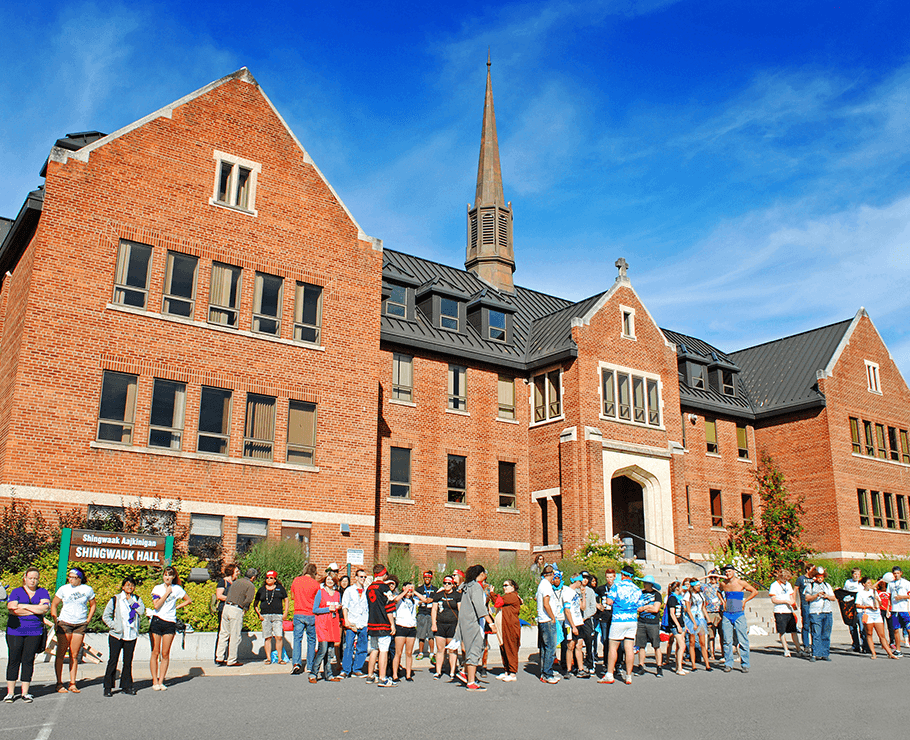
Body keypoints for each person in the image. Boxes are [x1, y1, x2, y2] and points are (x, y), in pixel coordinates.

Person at [4, 567, 50, 703]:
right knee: (13, 659)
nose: (33, 581)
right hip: (15, 631)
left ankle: (25, 692)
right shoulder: (17, 591)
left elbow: (45, 608)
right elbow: (12, 608)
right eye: (30, 578)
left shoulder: (42, 591)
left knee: (28, 660)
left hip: (34, 631)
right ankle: (10, 693)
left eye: (36, 578)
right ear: (25, 578)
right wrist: (35, 609)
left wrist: (23, 606)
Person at [51, 568, 96, 694]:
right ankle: (59, 683)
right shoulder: (64, 589)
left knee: (74, 655)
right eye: (69, 577)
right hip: (65, 622)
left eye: (73, 577)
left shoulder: (87, 589)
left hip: (80, 624)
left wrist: (88, 620)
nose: (70, 579)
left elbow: (93, 604)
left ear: (79, 578)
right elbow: (54, 604)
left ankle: (72, 683)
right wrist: (55, 620)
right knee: (61, 653)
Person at [598, 564, 642, 686]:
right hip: (632, 620)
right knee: (629, 648)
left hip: (618, 619)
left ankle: (609, 674)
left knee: (613, 647)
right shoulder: (637, 589)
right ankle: (628, 676)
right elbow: (640, 606)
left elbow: (609, 601)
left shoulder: (617, 586)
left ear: (622, 575)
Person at [149, 566, 191, 690]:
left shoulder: (177, 589)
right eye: (165, 575)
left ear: (173, 577)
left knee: (165, 653)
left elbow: (188, 600)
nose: (167, 577)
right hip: (157, 620)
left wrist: (177, 607)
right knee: (155, 652)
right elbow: (156, 605)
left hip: (170, 622)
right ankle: (154, 680)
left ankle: (161, 680)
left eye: (169, 575)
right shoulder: (157, 588)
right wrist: (167, 593)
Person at [101, 576, 145, 697]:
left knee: (127, 662)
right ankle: (108, 687)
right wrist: (114, 626)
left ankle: (127, 686)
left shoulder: (137, 599)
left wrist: (131, 600)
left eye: (132, 585)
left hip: (131, 635)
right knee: (113, 661)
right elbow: (106, 616)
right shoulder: (116, 599)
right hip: (117, 635)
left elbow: (140, 611)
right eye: (127, 585)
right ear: (122, 586)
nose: (130, 587)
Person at [457, 564, 492, 691]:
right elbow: (480, 607)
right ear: (481, 574)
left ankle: (465, 672)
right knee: (474, 650)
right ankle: (471, 681)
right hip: (474, 623)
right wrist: (491, 623)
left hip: (467, 622)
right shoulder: (476, 587)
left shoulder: (467, 586)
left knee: (471, 649)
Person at [215, 567, 257, 667]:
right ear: (253, 577)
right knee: (235, 636)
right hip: (236, 609)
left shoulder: (236, 582)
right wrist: (244, 609)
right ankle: (232, 660)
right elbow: (249, 599)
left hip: (226, 607)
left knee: (223, 633)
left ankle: (219, 657)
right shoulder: (250, 585)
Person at [719, 564, 757, 673]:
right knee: (727, 640)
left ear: (734, 572)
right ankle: (728, 663)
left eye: (729, 571)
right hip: (727, 614)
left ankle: (745, 663)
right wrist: (723, 601)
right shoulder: (723, 584)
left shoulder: (741, 583)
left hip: (739, 613)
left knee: (743, 639)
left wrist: (745, 601)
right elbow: (718, 591)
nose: (727, 574)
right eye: (726, 572)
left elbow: (754, 591)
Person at [365, 563, 396, 687]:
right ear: (383, 574)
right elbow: (389, 608)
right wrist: (392, 624)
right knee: (384, 650)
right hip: (383, 623)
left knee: (374, 649)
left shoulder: (369, 588)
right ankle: (383, 677)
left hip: (372, 623)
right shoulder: (384, 588)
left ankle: (370, 675)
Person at [290, 563, 320, 678]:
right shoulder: (315, 584)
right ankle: (310, 665)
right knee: (311, 640)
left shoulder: (296, 580)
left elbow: (292, 596)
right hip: (311, 613)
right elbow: (318, 600)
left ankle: (296, 663)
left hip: (298, 612)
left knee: (297, 639)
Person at [856, 576, 898, 659]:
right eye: (868, 583)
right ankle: (873, 653)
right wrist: (868, 607)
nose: (870, 584)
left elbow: (881, 603)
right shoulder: (860, 593)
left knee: (882, 635)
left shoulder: (874, 592)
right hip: (868, 614)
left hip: (877, 614)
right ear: (864, 584)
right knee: (869, 634)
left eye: (870, 583)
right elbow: (857, 605)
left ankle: (890, 653)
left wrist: (876, 597)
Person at [312, 573, 342, 681]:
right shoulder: (320, 593)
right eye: (328, 579)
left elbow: (338, 606)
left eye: (332, 579)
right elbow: (315, 609)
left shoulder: (337, 594)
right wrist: (328, 609)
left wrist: (338, 607)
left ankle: (329, 674)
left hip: (333, 624)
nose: (330, 581)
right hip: (323, 624)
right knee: (322, 650)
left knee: (330, 652)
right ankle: (313, 673)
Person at [803, 566, 836, 662]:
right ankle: (815, 654)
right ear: (815, 577)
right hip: (815, 612)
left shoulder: (827, 585)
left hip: (827, 611)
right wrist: (816, 595)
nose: (820, 579)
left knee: (826, 634)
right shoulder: (810, 585)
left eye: (822, 577)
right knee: (816, 633)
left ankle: (825, 653)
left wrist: (827, 596)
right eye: (818, 577)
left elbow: (833, 598)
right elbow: (807, 598)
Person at [254, 571, 288, 664]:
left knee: (279, 637)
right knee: (267, 637)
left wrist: (285, 612)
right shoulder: (261, 590)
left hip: (277, 615)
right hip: (265, 616)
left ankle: (280, 658)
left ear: (275, 579)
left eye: (271, 578)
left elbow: (286, 599)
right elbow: (255, 603)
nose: (269, 579)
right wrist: (259, 614)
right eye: (267, 578)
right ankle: (268, 658)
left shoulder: (280, 589)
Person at [431, 575, 461, 680]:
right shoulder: (438, 595)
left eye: (449, 583)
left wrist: (459, 625)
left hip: (452, 624)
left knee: (452, 649)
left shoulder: (457, 595)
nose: (447, 585)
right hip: (440, 624)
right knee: (440, 649)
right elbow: (434, 609)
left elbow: (460, 611)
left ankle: (452, 671)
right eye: (445, 583)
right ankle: (438, 671)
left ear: (453, 584)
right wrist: (433, 623)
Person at [633, 575, 663, 678]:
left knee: (656, 646)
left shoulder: (657, 595)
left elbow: (655, 609)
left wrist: (645, 607)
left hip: (653, 623)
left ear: (651, 584)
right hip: (642, 622)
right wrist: (650, 607)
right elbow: (637, 608)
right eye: (644, 583)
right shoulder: (640, 593)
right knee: (641, 645)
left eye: (646, 583)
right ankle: (641, 666)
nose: (644, 585)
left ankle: (659, 667)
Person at [340, 569, 369, 677]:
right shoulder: (349, 590)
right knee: (349, 646)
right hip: (352, 622)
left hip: (364, 621)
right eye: (361, 577)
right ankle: (345, 670)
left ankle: (357, 668)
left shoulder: (367, 591)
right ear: (356, 578)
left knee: (362, 647)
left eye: (364, 577)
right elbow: (345, 606)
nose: (363, 579)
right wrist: (347, 620)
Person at [493, 579, 522, 681]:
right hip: (503, 628)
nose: (504, 587)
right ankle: (507, 670)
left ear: (512, 587)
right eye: (503, 585)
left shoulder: (512, 596)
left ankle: (513, 673)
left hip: (510, 627)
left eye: (506, 585)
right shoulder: (507, 597)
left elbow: (498, 601)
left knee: (510, 648)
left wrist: (491, 593)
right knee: (503, 647)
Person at [769, 569, 803, 657]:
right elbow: (774, 599)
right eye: (784, 578)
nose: (786, 580)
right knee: (782, 631)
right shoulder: (774, 585)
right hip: (780, 611)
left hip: (789, 611)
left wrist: (794, 604)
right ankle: (786, 649)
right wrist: (784, 601)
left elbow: (791, 596)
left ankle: (798, 649)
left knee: (793, 630)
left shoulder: (788, 585)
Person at [536, 565, 560, 684]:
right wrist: (552, 617)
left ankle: (544, 671)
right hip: (547, 620)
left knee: (545, 647)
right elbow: (546, 603)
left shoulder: (542, 585)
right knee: (550, 647)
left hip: (543, 619)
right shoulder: (546, 586)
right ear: (551, 574)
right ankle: (547, 673)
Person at [392, 581, 419, 681]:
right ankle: (395, 674)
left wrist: (414, 591)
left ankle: (408, 674)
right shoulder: (400, 600)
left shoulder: (414, 600)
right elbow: (395, 599)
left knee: (409, 653)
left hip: (411, 628)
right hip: (401, 627)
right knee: (398, 653)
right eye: (408, 590)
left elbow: (425, 600)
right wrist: (405, 591)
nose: (409, 592)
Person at [683, 578, 712, 671]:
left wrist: (708, 620)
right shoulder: (688, 595)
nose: (699, 587)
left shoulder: (701, 594)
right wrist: (694, 623)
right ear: (693, 586)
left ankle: (707, 664)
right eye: (697, 585)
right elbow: (688, 609)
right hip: (692, 619)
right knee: (692, 642)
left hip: (700, 618)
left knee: (703, 642)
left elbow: (703, 607)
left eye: (699, 585)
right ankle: (693, 665)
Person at [213, 563, 239, 663]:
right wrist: (231, 599)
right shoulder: (223, 582)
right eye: (236, 572)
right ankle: (219, 656)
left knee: (232, 634)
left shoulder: (235, 583)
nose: (238, 574)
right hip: (223, 609)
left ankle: (229, 656)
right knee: (223, 633)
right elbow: (219, 595)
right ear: (231, 572)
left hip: (233, 609)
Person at [665, 581, 688, 675]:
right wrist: (678, 625)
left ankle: (679, 666)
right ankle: (679, 668)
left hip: (681, 623)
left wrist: (683, 625)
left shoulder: (679, 598)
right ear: (677, 588)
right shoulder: (672, 598)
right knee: (682, 645)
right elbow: (672, 613)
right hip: (675, 625)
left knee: (680, 646)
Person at [887, 566, 910, 656]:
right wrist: (889, 608)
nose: (896, 575)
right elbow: (889, 597)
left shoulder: (906, 583)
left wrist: (902, 597)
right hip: (895, 610)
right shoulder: (891, 584)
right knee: (895, 630)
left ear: (901, 573)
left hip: (904, 609)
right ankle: (898, 650)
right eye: (894, 573)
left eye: (898, 573)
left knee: (908, 629)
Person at [843, 567, 865, 653]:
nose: (857, 576)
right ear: (852, 574)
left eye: (858, 574)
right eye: (855, 574)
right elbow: (845, 593)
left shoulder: (861, 583)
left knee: (862, 627)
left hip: (860, 608)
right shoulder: (848, 582)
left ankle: (865, 646)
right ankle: (855, 645)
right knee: (852, 627)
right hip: (850, 607)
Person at [703, 570, 724, 661]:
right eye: (711, 577)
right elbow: (694, 581)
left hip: (720, 611)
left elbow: (729, 579)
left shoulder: (721, 585)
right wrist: (707, 577)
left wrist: (718, 575)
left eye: (714, 577)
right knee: (711, 635)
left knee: (722, 634)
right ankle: (712, 653)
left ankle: (724, 653)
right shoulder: (705, 587)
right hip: (710, 612)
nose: (713, 579)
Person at [415, 570, 436, 660]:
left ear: (431, 578)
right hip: (422, 613)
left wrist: (431, 600)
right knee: (421, 634)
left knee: (431, 635)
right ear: (423, 578)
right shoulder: (419, 589)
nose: (427, 579)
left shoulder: (435, 589)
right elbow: (415, 600)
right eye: (425, 577)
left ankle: (431, 653)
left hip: (431, 614)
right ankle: (420, 652)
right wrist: (422, 601)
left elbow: (437, 600)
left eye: (429, 577)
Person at [795, 563, 814, 653]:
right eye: (812, 569)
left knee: (814, 625)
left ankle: (814, 644)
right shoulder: (801, 579)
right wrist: (794, 601)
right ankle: (806, 645)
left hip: (814, 604)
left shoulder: (815, 579)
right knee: (806, 624)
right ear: (807, 570)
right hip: (805, 604)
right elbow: (795, 589)